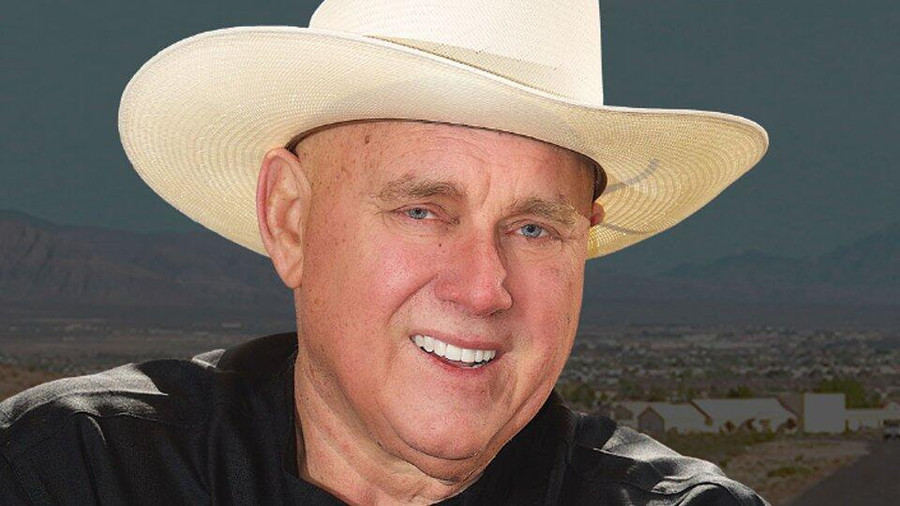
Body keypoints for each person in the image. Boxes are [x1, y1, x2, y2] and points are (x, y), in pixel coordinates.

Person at [1, 0, 770, 504]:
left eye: (535, 228)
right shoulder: (72, 473)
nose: (484, 289)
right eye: (422, 211)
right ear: (290, 220)